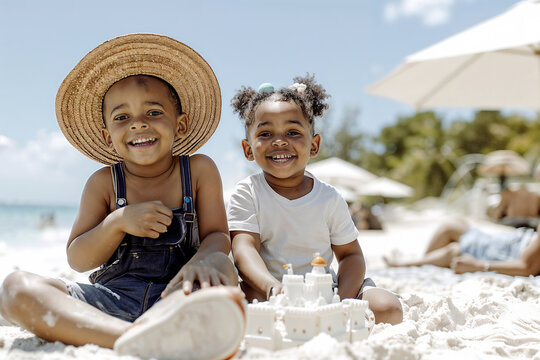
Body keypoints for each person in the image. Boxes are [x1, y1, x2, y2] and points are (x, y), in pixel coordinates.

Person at [0, 34, 245, 360]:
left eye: (154, 112)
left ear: (181, 124)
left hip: (178, 295)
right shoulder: (104, 183)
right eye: (121, 117)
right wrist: (116, 222)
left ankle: (159, 327)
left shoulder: (198, 170)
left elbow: (217, 236)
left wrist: (203, 261)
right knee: (15, 288)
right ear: (107, 136)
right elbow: (78, 258)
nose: (138, 124)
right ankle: (131, 336)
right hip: (109, 300)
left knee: (221, 270)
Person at [227, 75, 403, 325]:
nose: (279, 141)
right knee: (232, 305)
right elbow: (244, 249)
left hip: (326, 289)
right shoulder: (248, 192)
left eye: (293, 132)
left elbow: (351, 256)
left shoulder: (329, 198)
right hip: (268, 288)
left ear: (314, 145)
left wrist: (340, 300)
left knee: (388, 309)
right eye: (265, 133)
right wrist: (271, 287)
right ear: (247, 149)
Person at [383, 219, 540, 276]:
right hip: (509, 242)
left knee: (453, 250)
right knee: (452, 226)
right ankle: (424, 261)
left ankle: (407, 263)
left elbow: (526, 267)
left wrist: (479, 266)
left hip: (504, 251)